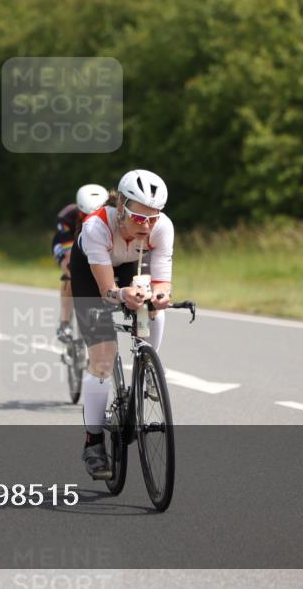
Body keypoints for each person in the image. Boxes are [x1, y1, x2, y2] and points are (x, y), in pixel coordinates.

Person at [69, 170, 174, 479]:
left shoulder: (161, 228)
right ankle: (94, 442)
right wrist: (122, 294)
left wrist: (160, 295)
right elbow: (106, 291)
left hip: (130, 263)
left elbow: (162, 281)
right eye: (139, 219)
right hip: (92, 274)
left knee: (152, 306)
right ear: (122, 208)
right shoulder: (96, 226)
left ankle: (148, 367)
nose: (147, 227)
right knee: (102, 358)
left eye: (153, 219)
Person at [52, 184, 110, 343]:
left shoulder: (112, 216)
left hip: (97, 245)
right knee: (70, 271)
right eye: (86, 215)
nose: (92, 220)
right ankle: (64, 322)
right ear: (79, 212)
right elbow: (69, 254)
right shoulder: (67, 217)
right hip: (69, 243)